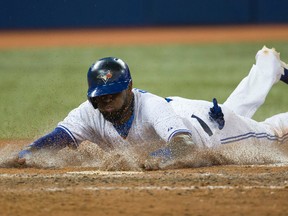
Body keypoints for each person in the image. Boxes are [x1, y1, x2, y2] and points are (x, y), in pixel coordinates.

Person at [17, 46, 288, 168]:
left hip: (211, 130)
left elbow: (185, 145)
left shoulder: (150, 107)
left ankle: (268, 72)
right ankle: (267, 67)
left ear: (129, 88)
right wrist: (30, 151)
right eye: (101, 96)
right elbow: (60, 136)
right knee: (237, 112)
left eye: (114, 93)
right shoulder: (89, 112)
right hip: (178, 111)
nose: (107, 101)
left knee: (268, 135)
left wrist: (156, 157)